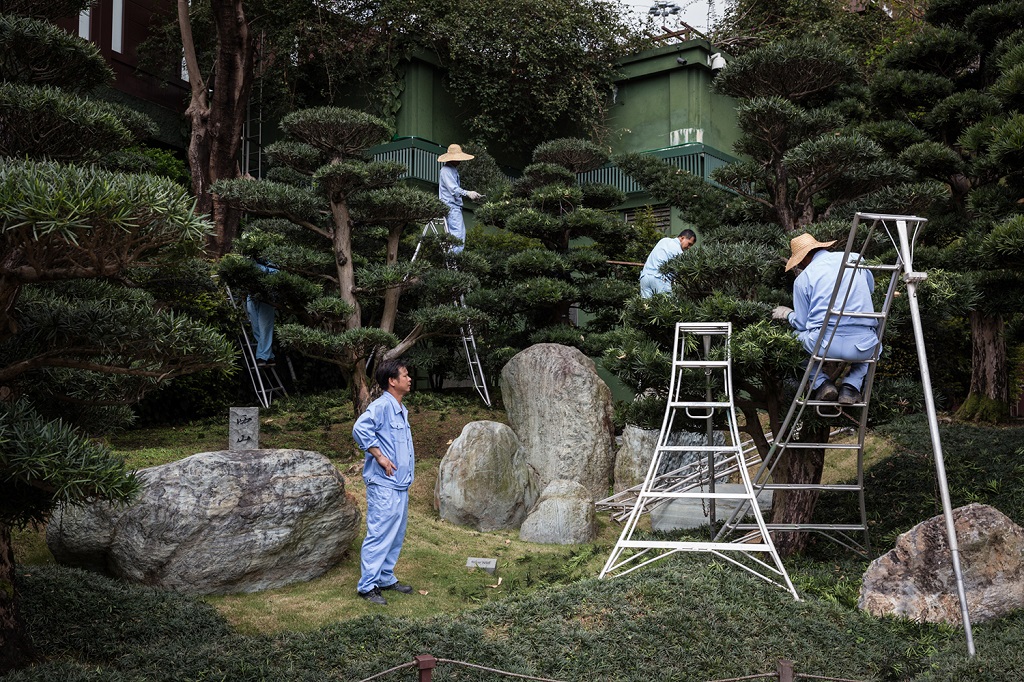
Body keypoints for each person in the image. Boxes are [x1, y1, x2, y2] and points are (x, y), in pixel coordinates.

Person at [772, 233, 880, 405]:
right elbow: (869, 289)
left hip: (823, 345)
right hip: (863, 347)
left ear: (804, 258)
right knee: (876, 344)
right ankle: (851, 386)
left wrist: (787, 314)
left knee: (791, 342)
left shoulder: (803, 279)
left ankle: (822, 383)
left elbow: (802, 324)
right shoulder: (855, 259)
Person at [351, 358, 416, 605]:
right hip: (384, 484)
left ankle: (385, 577)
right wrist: (379, 456)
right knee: (379, 534)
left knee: (396, 534)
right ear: (392, 381)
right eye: (405, 375)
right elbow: (360, 428)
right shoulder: (382, 406)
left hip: (400, 484)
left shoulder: (399, 408)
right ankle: (367, 586)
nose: (409, 379)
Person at [437, 143, 482, 253]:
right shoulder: (446, 170)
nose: (460, 161)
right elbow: (453, 189)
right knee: (458, 235)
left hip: (452, 205)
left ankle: (452, 261)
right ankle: (454, 261)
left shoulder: (452, 170)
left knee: (455, 236)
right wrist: (468, 193)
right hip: (450, 205)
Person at [639, 229, 697, 298]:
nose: (689, 247)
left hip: (645, 277)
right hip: (660, 279)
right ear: (682, 238)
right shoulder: (679, 251)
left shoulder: (664, 240)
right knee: (668, 306)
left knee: (647, 306)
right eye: (689, 244)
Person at [246, 261, 277, 367]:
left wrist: (262, 269)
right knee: (256, 328)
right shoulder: (249, 258)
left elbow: (276, 273)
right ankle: (269, 356)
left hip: (266, 297)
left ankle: (262, 356)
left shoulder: (271, 259)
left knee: (265, 327)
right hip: (252, 295)